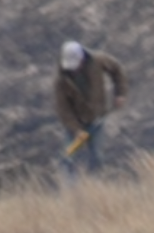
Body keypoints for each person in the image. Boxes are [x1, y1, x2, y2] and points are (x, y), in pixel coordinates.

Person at [52, 40, 127, 180]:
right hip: (75, 123)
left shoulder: (98, 61)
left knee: (97, 156)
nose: (73, 69)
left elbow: (117, 69)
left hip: (96, 119)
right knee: (67, 157)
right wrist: (76, 130)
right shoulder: (61, 81)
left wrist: (120, 93)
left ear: (82, 58)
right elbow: (63, 110)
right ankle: (69, 188)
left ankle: (94, 184)